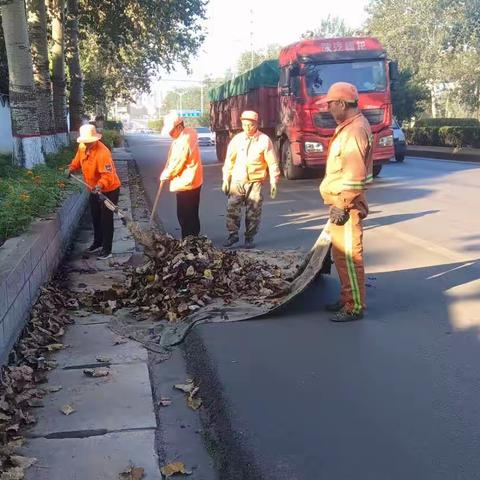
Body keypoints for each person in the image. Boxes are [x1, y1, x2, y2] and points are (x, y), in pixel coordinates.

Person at [319, 82, 373, 322]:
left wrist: (342, 204)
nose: (328, 109)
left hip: (347, 206)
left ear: (341, 103)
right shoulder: (348, 127)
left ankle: (354, 306)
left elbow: (355, 175)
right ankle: (346, 297)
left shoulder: (354, 130)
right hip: (342, 203)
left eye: (330, 104)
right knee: (341, 256)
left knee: (350, 257)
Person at [222, 110, 280, 249]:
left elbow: (272, 163)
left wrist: (274, 181)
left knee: (253, 211)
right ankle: (233, 235)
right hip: (237, 180)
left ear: (256, 124)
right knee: (232, 208)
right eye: (245, 125)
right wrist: (226, 179)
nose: (248, 128)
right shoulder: (237, 140)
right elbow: (229, 160)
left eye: (251, 125)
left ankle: (249, 237)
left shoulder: (264, 140)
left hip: (255, 182)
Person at [68, 124, 121, 260]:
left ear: (95, 139)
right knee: (95, 217)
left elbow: (108, 176)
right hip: (93, 189)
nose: (87, 144)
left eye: (89, 141)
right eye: (85, 142)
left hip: (109, 190)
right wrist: (71, 168)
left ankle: (107, 249)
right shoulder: (82, 147)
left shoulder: (103, 153)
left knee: (106, 219)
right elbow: (77, 161)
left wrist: (100, 185)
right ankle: (97, 243)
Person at [159, 113, 203, 238]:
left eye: (171, 131)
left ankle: (188, 242)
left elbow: (178, 163)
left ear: (178, 127)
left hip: (186, 183)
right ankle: (194, 239)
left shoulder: (184, 141)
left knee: (185, 216)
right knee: (192, 214)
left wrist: (166, 175)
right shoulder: (189, 133)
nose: (170, 134)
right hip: (194, 181)